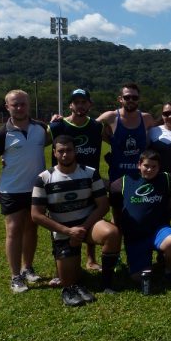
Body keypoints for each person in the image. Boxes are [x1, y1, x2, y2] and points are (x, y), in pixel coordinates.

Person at [31, 135, 121, 306]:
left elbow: (103, 206)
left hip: (88, 226)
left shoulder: (90, 173)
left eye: (69, 150)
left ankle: (107, 283)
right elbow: (36, 215)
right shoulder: (43, 178)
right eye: (61, 151)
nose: (65, 154)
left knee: (112, 233)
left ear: (75, 151)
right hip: (63, 231)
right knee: (69, 281)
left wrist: (82, 228)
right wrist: (68, 231)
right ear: (54, 153)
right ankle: (73, 283)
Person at [0, 89, 50, 293]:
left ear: (29, 105)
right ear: (7, 107)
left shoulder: (41, 128)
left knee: (32, 228)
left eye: (23, 104)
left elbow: (53, 140)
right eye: (15, 104)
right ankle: (15, 277)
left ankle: (27, 268)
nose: (19, 108)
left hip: (36, 189)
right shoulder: (2, 133)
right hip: (12, 190)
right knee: (14, 230)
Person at [49, 87, 105, 270]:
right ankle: (60, 260)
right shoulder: (57, 126)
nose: (80, 106)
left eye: (84, 102)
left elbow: (117, 141)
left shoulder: (97, 127)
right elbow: (36, 144)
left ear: (90, 104)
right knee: (61, 219)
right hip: (62, 182)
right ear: (70, 105)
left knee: (91, 215)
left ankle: (91, 259)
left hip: (89, 182)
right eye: (76, 102)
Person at [109, 150, 171, 291]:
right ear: (139, 165)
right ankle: (145, 263)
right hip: (135, 236)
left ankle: (170, 271)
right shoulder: (123, 183)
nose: (150, 170)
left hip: (158, 230)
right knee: (138, 277)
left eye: (154, 167)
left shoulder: (166, 179)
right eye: (146, 166)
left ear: (159, 167)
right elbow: (115, 207)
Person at [97, 82, 156, 181]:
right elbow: (88, 126)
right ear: (120, 99)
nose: (131, 100)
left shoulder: (147, 118)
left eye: (134, 98)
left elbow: (161, 134)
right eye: (127, 97)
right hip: (117, 178)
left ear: (139, 99)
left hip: (142, 177)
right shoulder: (111, 117)